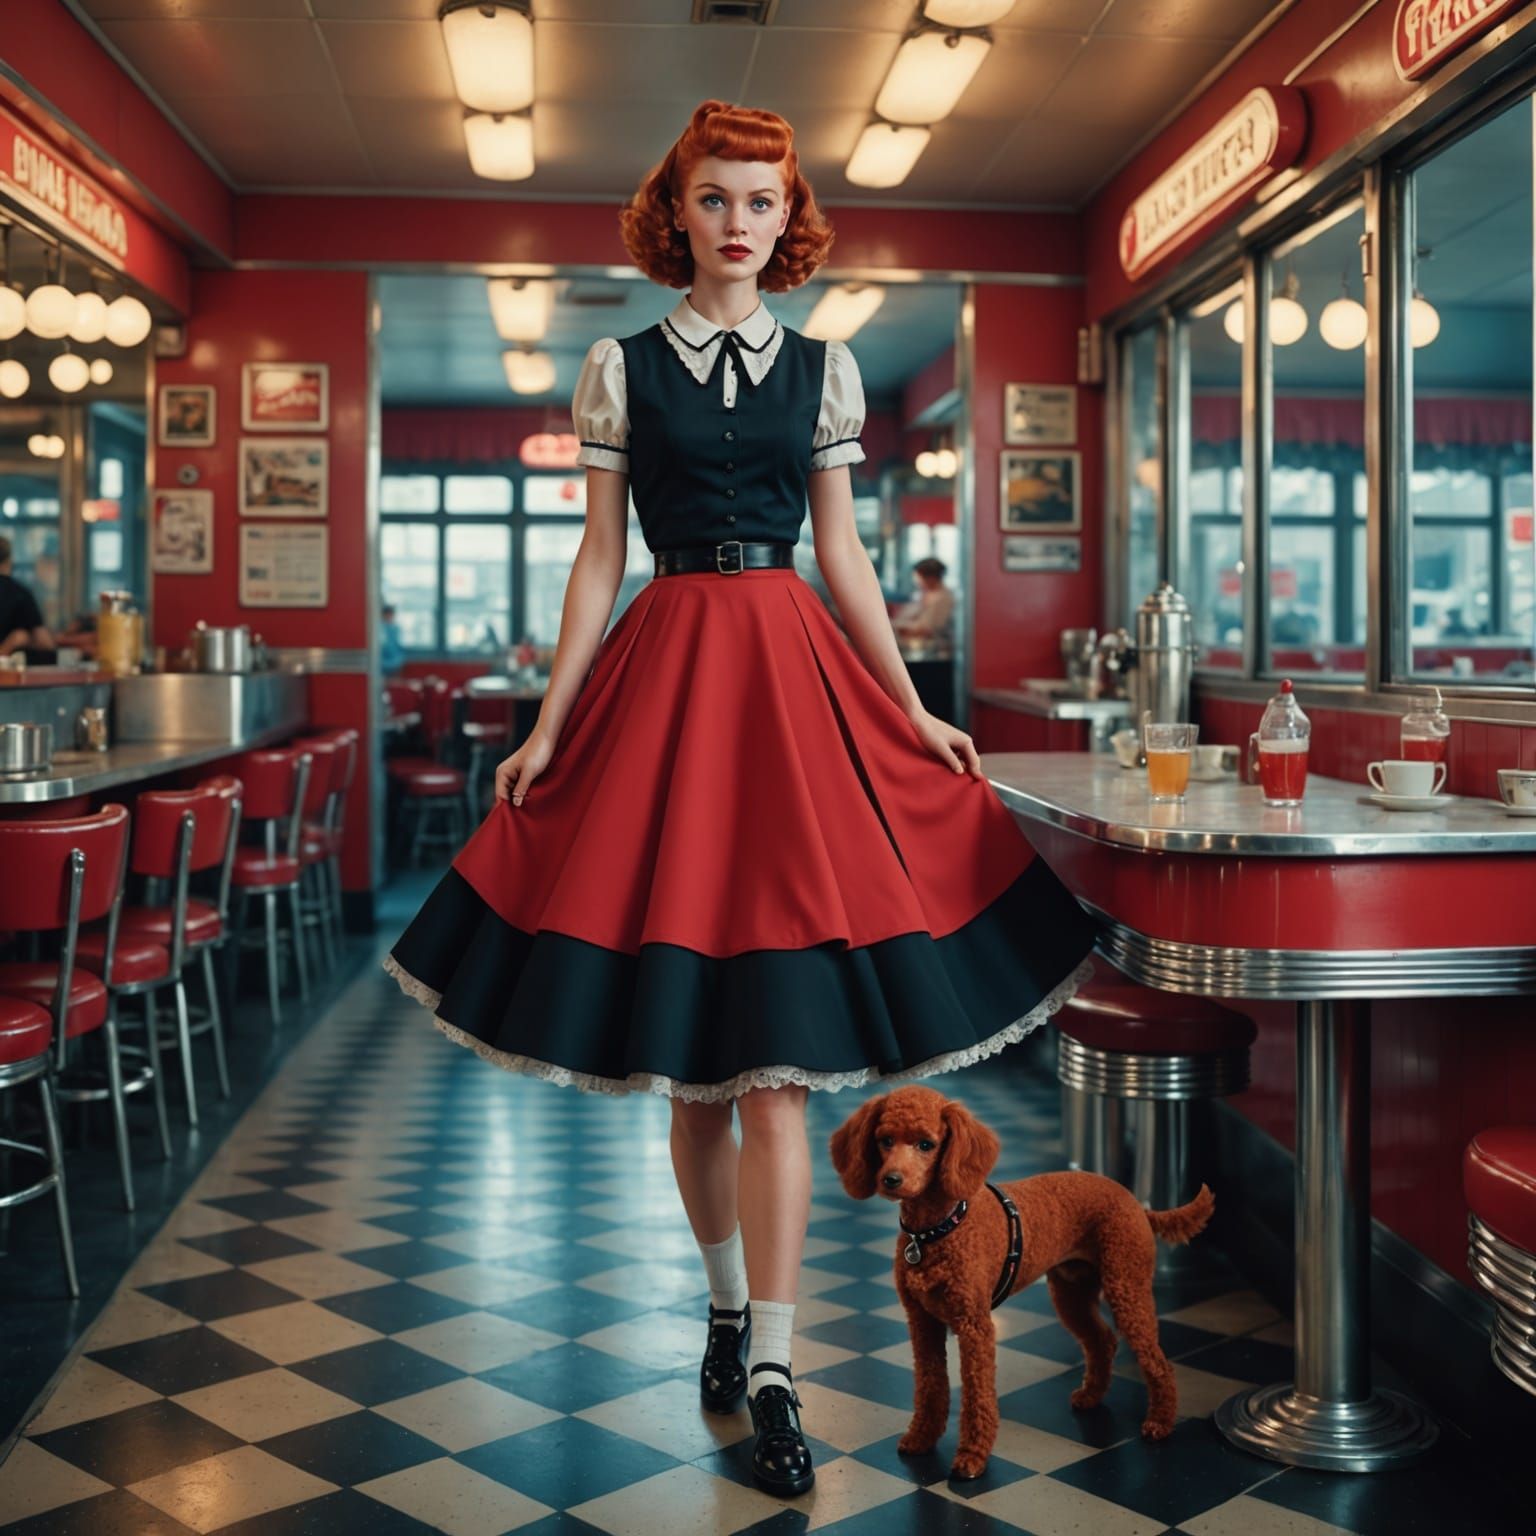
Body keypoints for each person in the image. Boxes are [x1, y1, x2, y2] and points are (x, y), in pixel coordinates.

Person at [384, 100, 1098, 1499]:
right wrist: (550, 718)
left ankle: (771, 1358)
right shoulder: (616, 365)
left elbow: (843, 556)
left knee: (774, 1069)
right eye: (713, 198)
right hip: (667, 676)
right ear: (679, 214)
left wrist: (903, 710)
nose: (736, 221)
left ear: (788, 221)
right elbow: (598, 562)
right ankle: (722, 1304)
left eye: (760, 201)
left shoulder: (825, 371)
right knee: (695, 1068)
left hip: (790, 683)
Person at [0, 535, 54, 656]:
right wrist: (19, 641)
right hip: (8, 671)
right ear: (9, 560)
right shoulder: (20, 593)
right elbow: (44, 643)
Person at [891, 556, 955, 644]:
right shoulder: (921, 595)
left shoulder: (945, 598)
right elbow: (904, 615)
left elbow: (926, 628)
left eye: (919, 577)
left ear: (931, 577)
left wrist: (896, 624)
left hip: (933, 649)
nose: (917, 581)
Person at [379, 603, 404, 675]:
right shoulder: (379, 629)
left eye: (391, 615)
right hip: (382, 665)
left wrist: (399, 660)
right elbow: (384, 647)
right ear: (383, 615)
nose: (390, 617)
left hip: (396, 664)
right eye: (387, 615)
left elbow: (398, 646)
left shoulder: (396, 629)